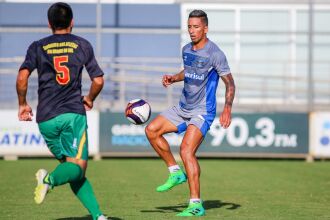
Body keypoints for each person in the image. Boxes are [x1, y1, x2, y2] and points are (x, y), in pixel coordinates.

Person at [16, 2, 107, 220]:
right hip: (71, 115)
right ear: (72, 22)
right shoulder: (82, 45)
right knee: (77, 168)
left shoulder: (37, 46)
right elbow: (98, 80)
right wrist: (90, 98)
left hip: (46, 118)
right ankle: (48, 180)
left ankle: (98, 216)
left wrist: (22, 104)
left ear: (49, 24)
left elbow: (22, 77)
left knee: (71, 168)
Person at [145, 9, 235, 217]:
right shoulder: (186, 49)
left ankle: (196, 204)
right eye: (189, 27)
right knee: (151, 130)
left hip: (202, 111)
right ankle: (175, 172)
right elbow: (189, 70)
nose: (192, 31)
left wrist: (227, 107)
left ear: (205, 28)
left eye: (196, 27)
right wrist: (173, 78)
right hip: (183, 107)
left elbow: (230, 83)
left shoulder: (215, 53)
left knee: (186, 150)